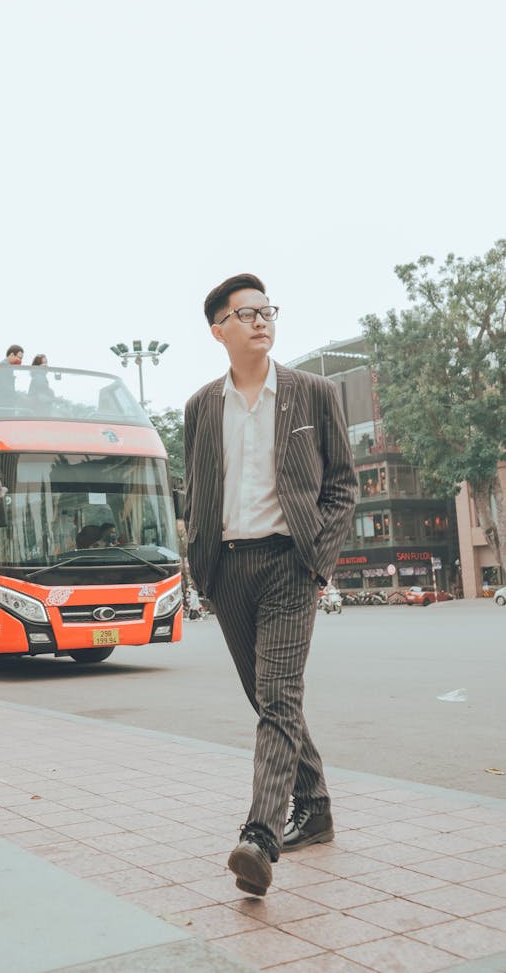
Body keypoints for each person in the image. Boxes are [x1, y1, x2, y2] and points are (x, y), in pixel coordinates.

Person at [184, 272, 356, 898]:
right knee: (267, 700)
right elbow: (196, 489)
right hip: (227, 569)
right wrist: (200, 568)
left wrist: (318, 560)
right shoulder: (201, 405)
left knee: (277, 697)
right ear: (219, 330)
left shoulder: (312, 394)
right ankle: (316, 807)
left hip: (290, 563)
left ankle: (260, 835)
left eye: (267, 311)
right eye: (246, 313)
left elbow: (342, 485)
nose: (261, 321)